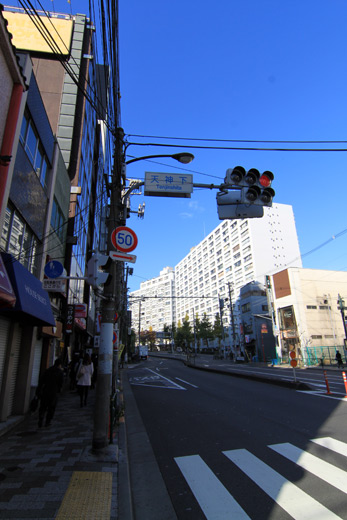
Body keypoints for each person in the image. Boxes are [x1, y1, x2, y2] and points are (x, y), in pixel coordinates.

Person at [37, 358, 64, 428]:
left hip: (45, 391)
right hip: (54, 392)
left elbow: (41, 381)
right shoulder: (60, 372)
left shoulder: (48, 370)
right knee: (51, 407)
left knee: (43, 406)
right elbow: (61, 383)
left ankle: (41, 418)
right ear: (60, 365)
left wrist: (39, 390)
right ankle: (47, 421)